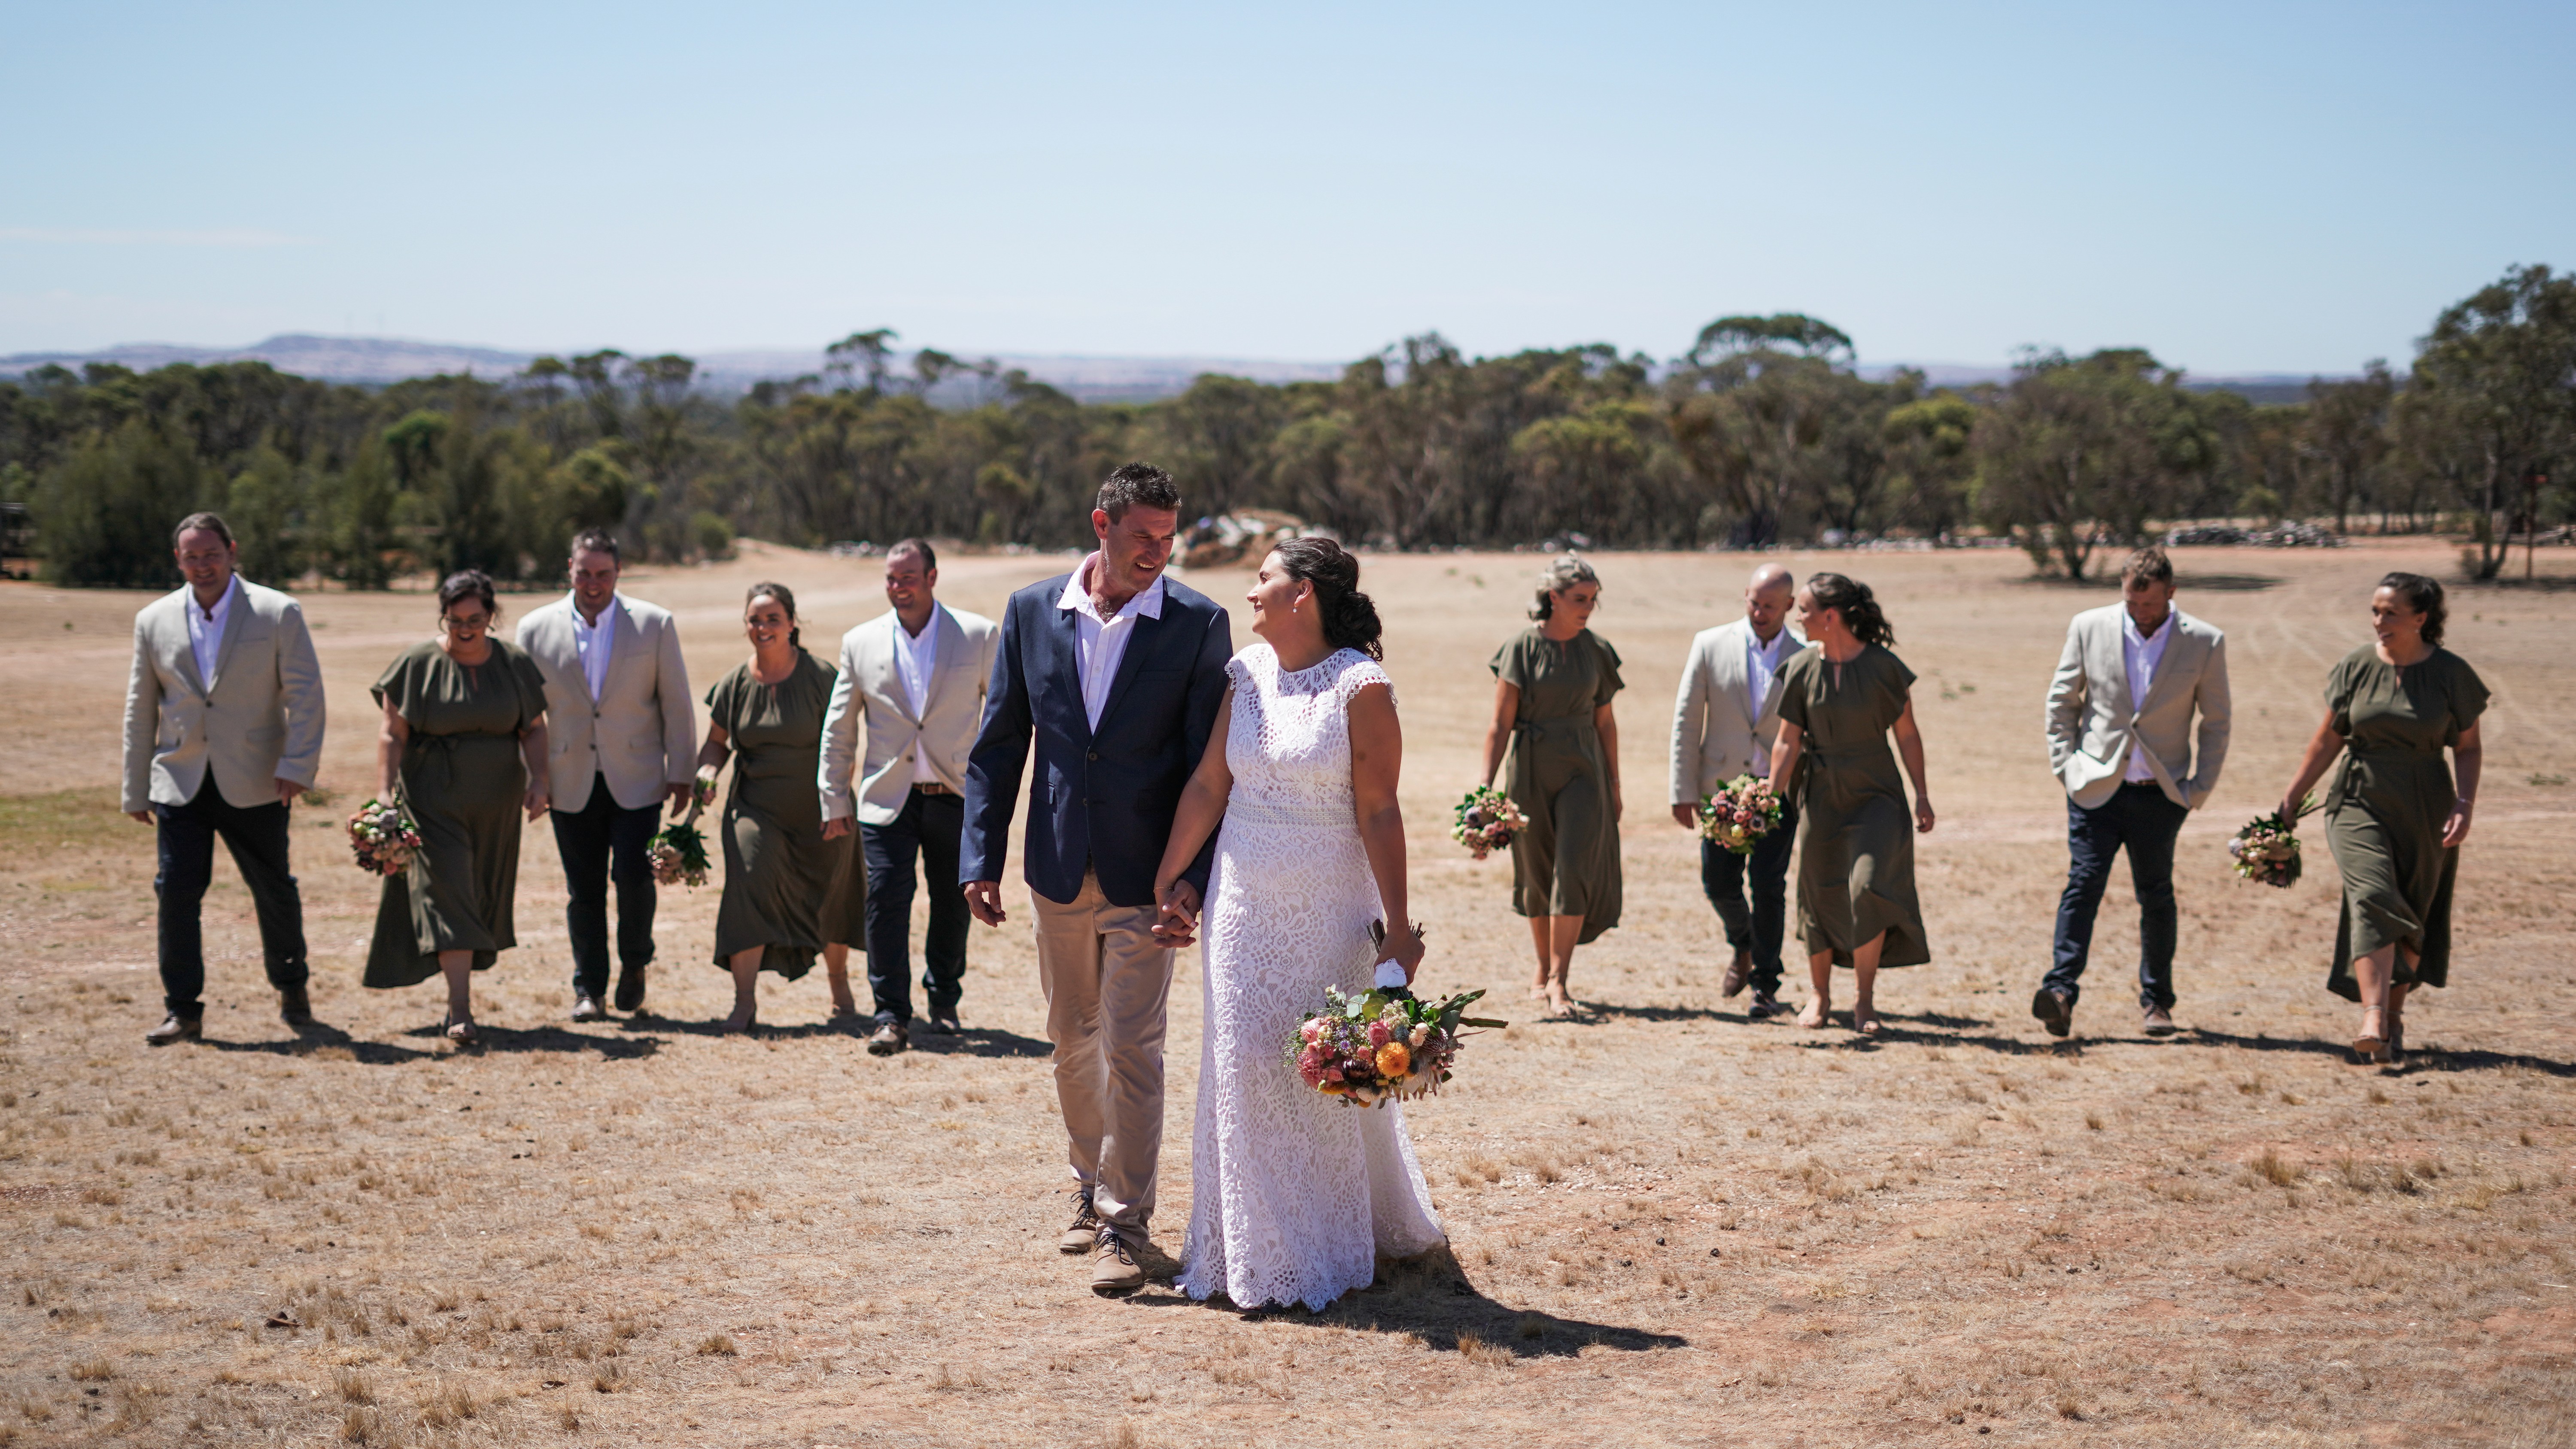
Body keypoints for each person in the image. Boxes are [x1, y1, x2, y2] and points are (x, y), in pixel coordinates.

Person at [1151, 537, 1445, 1311]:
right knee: (1245, 1061)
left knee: (1317, 1068)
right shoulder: (1245, 673)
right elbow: (1210, 783)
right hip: (1242, 902)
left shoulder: (1361, 686)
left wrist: (1400, 928)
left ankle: (1325, 1240)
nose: (1251, 591)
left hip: (1329, 907)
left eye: (1264, 578)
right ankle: (1254, 1247)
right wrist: (1172, 874)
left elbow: (1379, 810)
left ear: (1303, 593)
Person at [962, 463, 1233, 1296]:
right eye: (1143, 534)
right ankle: (1086, 1184)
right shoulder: (1030, 611)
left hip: (1148, 878)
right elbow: (999, 743)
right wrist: (979, 858)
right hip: (1054, 867)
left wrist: (1190, 878)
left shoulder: (1198, 622)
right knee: (1072, 1037)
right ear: (1101, 525)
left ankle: (1126, 1222)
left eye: (1169, 536)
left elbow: (1210, 766)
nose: (1158, 551)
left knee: (1133, 1046)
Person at [121, 512, 326, 1045]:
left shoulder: (277, 611)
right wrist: (135, 788)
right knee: (176, 894)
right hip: (179, 780)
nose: (202, 565)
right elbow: (141, 707)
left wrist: (297, 766)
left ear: (232, 551)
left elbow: (306, 695)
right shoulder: (153, 619)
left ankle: (292, 987)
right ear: (178, 559)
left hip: (259, 779)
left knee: (274, 890)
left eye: (212, 554)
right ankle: (182, 1010)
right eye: (191, 557)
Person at [2272, 573, 2485, 1065]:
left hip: (2427, 803)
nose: (2378, 621)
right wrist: (2291, 799)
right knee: (2373, 894)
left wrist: (2465, 803)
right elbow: (2328, 739)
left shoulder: (2452, 673)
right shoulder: (2357, 666)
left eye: (2390, 612)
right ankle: (2371, 1016)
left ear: (2420, 618)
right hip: (2358, 797)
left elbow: (2469, 747)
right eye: (2374, 611)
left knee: (2411, 909)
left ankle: (2392, 1019)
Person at [2034, 546, 2232, 1039]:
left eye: (2150, 604)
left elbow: (2217, 721)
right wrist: (2066, 767)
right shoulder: (2089, 626)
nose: (2140, 612)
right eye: (2132, 602)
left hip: (2160, 793)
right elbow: (2062, 701)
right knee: (2083, 885)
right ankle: (2059, 992)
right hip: (2095, 788)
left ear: (2172, 592)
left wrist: (2197, 788)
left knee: (2156, 894)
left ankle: (2157, 1002)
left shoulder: (2204, 641)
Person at [820, 539, 999, 1055]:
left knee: (952, 903)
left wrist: (993, 795)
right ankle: (891, 1015)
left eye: (908, 577)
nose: (898, 587)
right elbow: (839, 728)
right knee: (885, 902)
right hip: (885, 800)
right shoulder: (860, 642)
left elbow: (1001, 719)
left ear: (932, 577)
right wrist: (834, 799)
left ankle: (943, 1001)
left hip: (955, 794)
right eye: (891, 578)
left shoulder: (978, 635)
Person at [514, 529, 697, 1021]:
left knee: (634, 879)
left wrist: (681, 771)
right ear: (569, 570)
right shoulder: (534, 629)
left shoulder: (654, 624)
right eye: (584, 573)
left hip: (638, 776)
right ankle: (589, 989)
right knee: (584, 889)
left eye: (603, 574)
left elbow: (676, 702)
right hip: (568, 777)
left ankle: (635, 963)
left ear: (619, 573)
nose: (593, 583)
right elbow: (525, 715)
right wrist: (533, 777)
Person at [365, 571, 552, 1044]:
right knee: (447, 889)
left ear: (492, 616)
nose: (465, 629)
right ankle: (460, 1007)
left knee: (480, 891)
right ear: (443, 616)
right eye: (455, 620)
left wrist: (540, 780)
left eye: (475, 620)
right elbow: (392, 733)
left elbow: (534, 728)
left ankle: (460, 990)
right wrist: (384, 793)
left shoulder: (514, 662)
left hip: (497, 802)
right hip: (431, 798)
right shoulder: (416, 663)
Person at [1762, 573, 1933, 1034]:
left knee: (1867, 888)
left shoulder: (1884, 667)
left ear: (1831, 616)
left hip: (1877, 795)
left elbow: (1908, 735)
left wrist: (1922, 794)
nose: (1798, 618)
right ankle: (1819, 995)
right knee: (1818, 894)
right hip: (1822, 795)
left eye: (1804, 610)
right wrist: (1769, 798)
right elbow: (1787, 741)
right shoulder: (1800, 669)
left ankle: (1865, 1000)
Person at [699, 582, 857, 1034]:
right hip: (755, 808)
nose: (763, 627)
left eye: (773, 618)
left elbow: (845, 742)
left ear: (792, 623)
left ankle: (839, 986)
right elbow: (715, 744)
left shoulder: (821, 676)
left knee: (833, 892)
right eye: (755, 619)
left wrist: (838, 800)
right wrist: (707, 772)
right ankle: (744, 1002)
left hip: (823, 807)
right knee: (749, 885)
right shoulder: (734, 684)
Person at [1481, 555, 1623, 1019]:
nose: (1588, 608)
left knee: (1574, 869)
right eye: (1580, 599)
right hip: (1530, 768)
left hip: (1585, 769)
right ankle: (1542, 968)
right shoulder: (1520, 648)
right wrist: (1485, 788)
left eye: (1593, 600)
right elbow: (1500, 724)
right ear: (1553, 597)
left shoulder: (1597, 649)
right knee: (1537, 871)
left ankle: (1561, 980)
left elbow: (1606, 722)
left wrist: (1615, 784)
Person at [1670, 562, 1805, 1019]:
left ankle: (1765, 985)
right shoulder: (1709, 644)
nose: (1760, 613)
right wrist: (1683, 789)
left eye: (1771, 606)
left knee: (1769, 886)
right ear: (1745, 595)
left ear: (1789, 605)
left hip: (1780, 793)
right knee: (1719, 883)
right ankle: (1743, 943)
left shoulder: (1807, 654)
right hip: (1721, 793)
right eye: (1754, 602)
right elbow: (1688, 720)